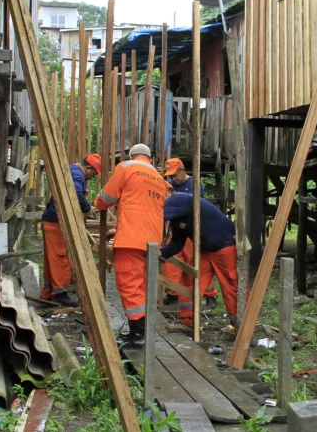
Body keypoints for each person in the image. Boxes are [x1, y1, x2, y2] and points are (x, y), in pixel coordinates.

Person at [95, 143, 166, 348]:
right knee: (142, 285)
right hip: (152, 239)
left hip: (131, 238)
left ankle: (138, 335)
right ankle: (141, 330)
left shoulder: (126, 167)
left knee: (129, 284)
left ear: (132, 155)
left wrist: (97, 204)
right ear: (149, 158)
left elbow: (107, 198)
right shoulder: (159, 179)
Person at [160, 192, 239, 329]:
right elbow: (177, 242)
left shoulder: (179, 199)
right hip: (205, 250)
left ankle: (240, 325)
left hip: (225, 246)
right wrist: (162, 253)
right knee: (190, 280)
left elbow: (159, 214)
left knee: (231, 286)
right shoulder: (176, 218)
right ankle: (187, 322)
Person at [40, 154, 101, 306]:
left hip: (53, 220)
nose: (92, 178)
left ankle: (49, 291)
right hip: (57, 221)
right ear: (88, 168)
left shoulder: (72, 170)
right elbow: (76, 194)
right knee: (60, 257)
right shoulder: (77, 175)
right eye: (93, 174)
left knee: (52, 259)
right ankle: (60, 294)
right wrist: (87, 208)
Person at [162, 158, 218, 307]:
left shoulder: (194, 184)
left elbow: (195, 207)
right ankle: (173, 292)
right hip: (176, 228)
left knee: (196, 262)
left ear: (182, 170)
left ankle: (209, 294)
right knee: (171, 261)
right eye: (170, 176)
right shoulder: (170, 185)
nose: (173, 178)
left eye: (175, 175)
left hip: (191, 229)